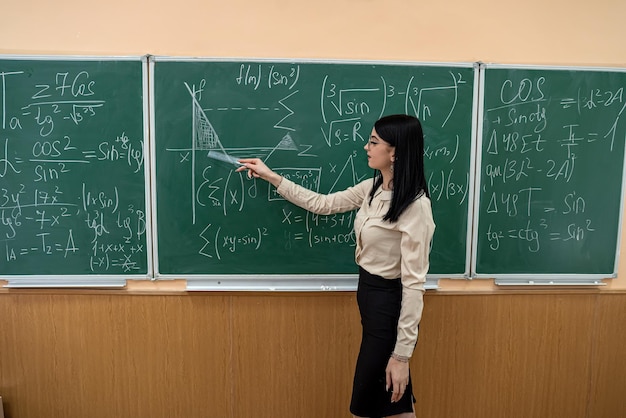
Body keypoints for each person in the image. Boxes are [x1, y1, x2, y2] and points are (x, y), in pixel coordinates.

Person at [236, 114, 435, 418]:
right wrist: (271, 176)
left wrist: (402, 355)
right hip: (369, 300)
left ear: (394, 152)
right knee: (394, 404)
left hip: (387, 310)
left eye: (373, 142)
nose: (366, 147)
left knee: (364, 405)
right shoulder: (373, 188)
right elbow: (323, 204)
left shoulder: (415, 206)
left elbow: (413, 284)